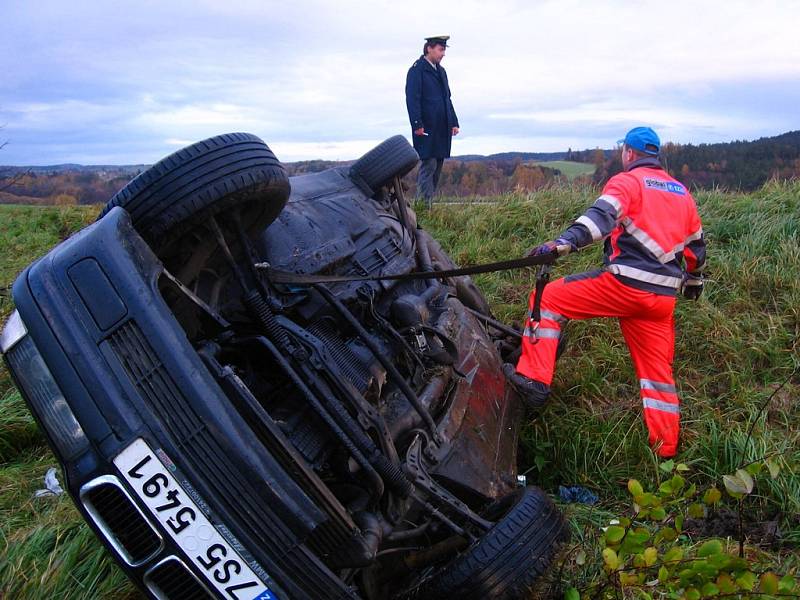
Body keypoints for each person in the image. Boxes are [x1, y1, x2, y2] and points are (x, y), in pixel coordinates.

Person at [504, 127, 706, 458]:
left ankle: (533, 379)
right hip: (662, 300)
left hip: (626, 285)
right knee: (658, 378)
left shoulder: (628, 182)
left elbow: (600, 218)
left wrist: (563, 243)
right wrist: (694, 281)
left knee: (550, 298)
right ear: (656, 154)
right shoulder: (682, 192)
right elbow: (697, 248)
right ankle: (665, 453)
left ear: (628, 153)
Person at [405, 35, 460, 207]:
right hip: (426, 126)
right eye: (440, 49)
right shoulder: (417, 70)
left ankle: (428, 205)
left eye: (444, 50)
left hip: (442, 126)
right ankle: (422, 206)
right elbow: (412, 99)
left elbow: (447, 98)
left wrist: (454, 121)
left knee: (437, 166)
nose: (443, 54)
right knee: (428, 164)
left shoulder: (441, 71)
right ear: (429, 48)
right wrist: (417, 124)